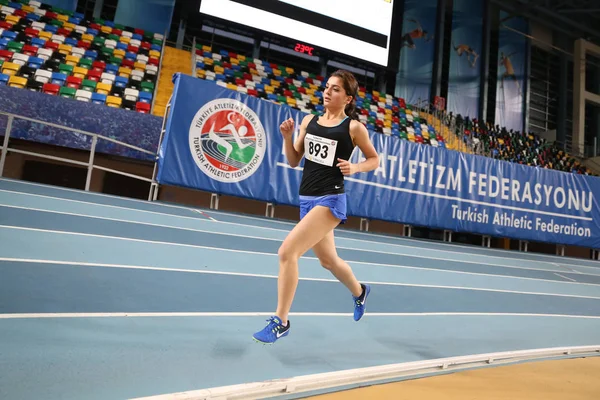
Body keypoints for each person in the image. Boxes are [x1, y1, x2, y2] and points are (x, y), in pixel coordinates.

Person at [252, 69, 380, 344]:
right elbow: (294, 160)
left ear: (347, 98)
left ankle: (280, 321)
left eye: (335, 89)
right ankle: (360, 292)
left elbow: (374, 160)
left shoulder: (354, 128)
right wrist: (287, 137)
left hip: (330, 198)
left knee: (287, 252)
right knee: (328, 261)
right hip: (307, 199)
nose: (327, 91)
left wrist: (355, 167)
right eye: (327, 86)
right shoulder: (309, 121)